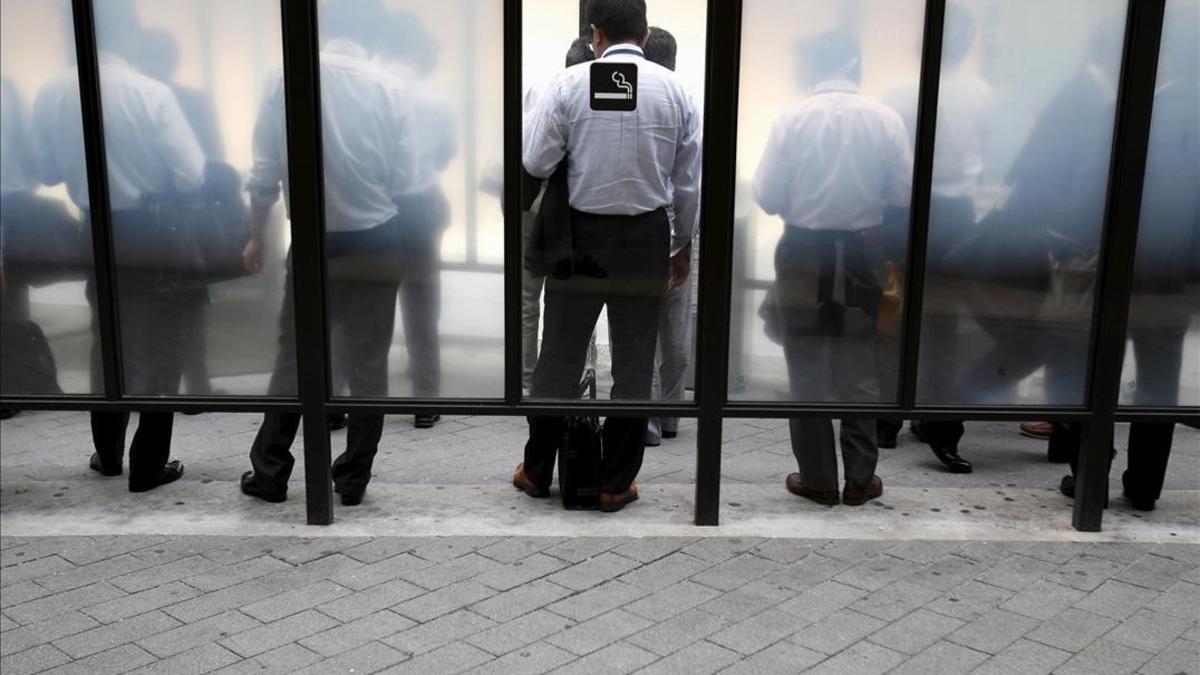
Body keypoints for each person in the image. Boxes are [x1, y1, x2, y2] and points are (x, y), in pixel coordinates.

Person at [515, 0, 701, 512]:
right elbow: (688, 186)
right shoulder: (677, 91)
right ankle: (616, 482)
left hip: (580, 242)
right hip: (645, 241)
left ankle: (536, 471)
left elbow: (535, 160)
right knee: (636, 366)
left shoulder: (568, 85)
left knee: (558, 360)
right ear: (644, 32)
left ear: (594, 34)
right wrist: (679, 247)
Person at [239, 0, 415, 507]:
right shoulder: (388, 87)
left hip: (315, 242)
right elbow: (404, 179)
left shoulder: (285, 78)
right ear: (370, 34)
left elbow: (263, 173)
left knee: (294, 356)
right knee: (369, 365)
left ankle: (270, 473)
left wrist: (256, 235)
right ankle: (353, 478)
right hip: (378, 239)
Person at [31, 0, 201, 491]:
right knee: (159, 347)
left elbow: (45, 170)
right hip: (151, 231)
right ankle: (148, 464)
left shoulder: (53, 91)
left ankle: (107, 454)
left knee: (107, 341)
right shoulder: (150, 93)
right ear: (129, 36)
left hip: (92, 229)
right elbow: (189, 174)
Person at [755, 31, 911, 506]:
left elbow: (767, 195)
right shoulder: (886, 121)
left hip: (803, 251)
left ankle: (819, 479)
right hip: (864, 253)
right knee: (861, 362)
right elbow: (904, 193)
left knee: (804, 365)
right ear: (857, 68)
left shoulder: (791, 120)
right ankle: (860, 479)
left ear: (811, 69)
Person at [1059, 4, 1199, 511]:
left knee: (1096, 369)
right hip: (1174, 278)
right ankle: (1144, 487)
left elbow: (1087, 189)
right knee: (1158, 380)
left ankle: (1089, 474)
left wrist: (1077, 244)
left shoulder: (1123, 110)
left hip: (1119, 268)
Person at [877, 2, 993, 472]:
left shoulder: (899, 91)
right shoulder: (983, 94)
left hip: (901, 213)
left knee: (891, 314)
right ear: (967, 44)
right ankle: (940, 426)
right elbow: (982, 153)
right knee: (943, 325)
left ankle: (884, 420)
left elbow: (888, 160)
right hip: (957, 216)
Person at [132, 28, 225, 400]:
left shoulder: (133, 101)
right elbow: (210, 160)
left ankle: (146, 386)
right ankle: (197, 384)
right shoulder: (192, 101)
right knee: (192, 300)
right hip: (189, 215)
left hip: (143, 219)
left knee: (143, 306)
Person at [378, 10, 455, 429]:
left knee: (366, 305)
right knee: (423, 307)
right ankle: (425, 400)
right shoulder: (433, 97)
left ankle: (341, 399)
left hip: (376, 206)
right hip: (422, 205)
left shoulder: (369, 88)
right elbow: (444, 152)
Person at [519, 36, 597, 392]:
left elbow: (532, 157)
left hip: (537, 207)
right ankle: (579, 370)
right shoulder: (595, 97)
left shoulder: (544, 92)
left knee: (528, 296)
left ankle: (526, 374)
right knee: (575, 296)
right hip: (575, 211)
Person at [641, 25, 695, 446]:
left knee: (639, 327)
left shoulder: (636, 98)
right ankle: (671, 414)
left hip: (639, 229)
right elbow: (691, 181)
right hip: (680, 230)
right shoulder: (686, 99)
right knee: (674, 328)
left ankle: (645, 418)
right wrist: (686, 241)